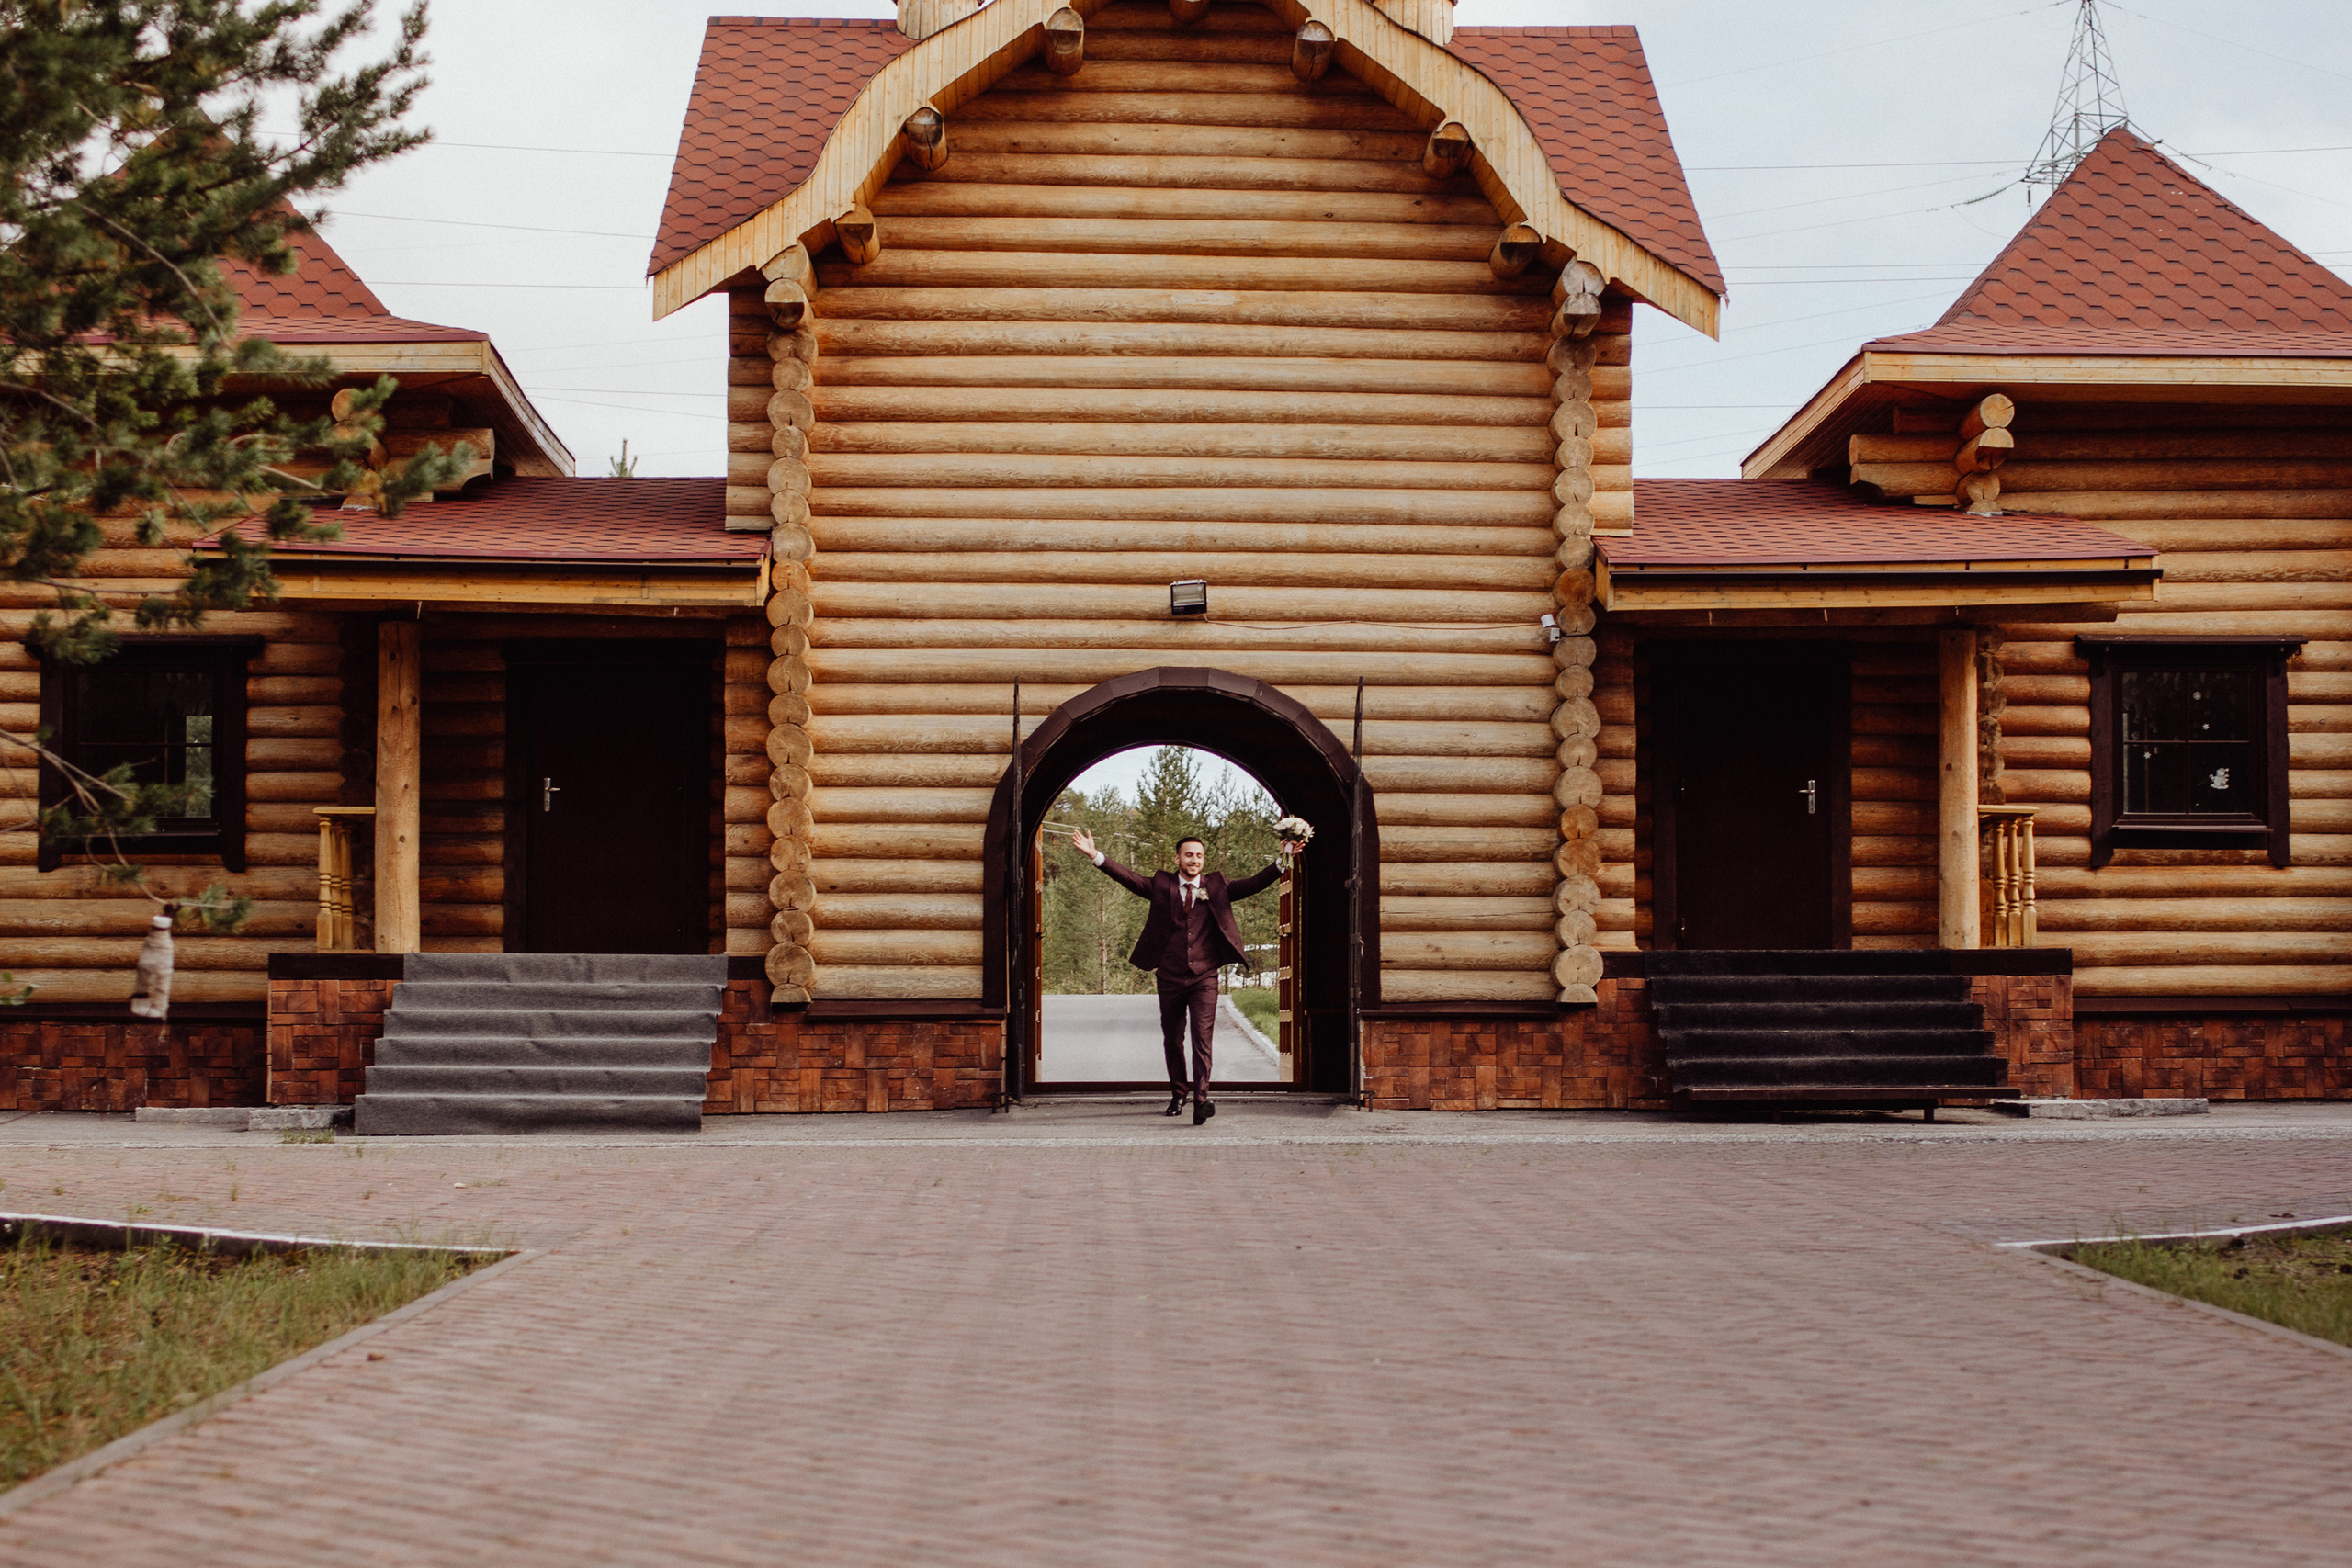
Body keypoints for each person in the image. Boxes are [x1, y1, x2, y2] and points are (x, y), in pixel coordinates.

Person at [1069, 828, 1302, 1124]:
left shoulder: (1216, 885)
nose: (1195, 860)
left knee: (1202, 1038)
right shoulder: (1161, 884)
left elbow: (1255, 883)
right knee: (1173, 1038)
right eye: (1189, 854)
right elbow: (1129, 877)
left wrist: (1284, 858)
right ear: (1177, 858)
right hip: (1169, 975)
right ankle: (1179, 1092)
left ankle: (1201, 1100)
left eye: (1200, 856)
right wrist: (1095, 855)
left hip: (1205, 976)